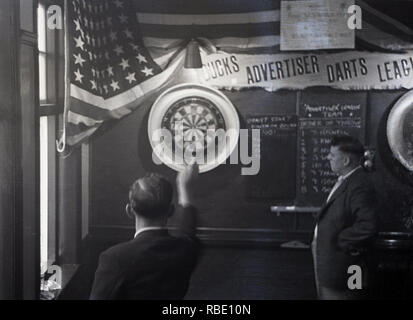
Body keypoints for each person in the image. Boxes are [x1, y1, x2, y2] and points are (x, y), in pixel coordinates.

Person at [90, 164, 200, 300]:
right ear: (171, 211)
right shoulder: (185, 249)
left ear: (129, 211)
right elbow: (188, 230)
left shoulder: (115, 258)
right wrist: (184, 189)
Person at [311, 135, 377, 300]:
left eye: (332, 155)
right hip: (333, 266)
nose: (328, 158)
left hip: (343, 268)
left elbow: (368, 226)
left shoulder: (359, 184)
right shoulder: (347, 180)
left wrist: (340, 240)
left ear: (346, 161)